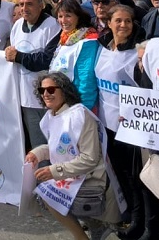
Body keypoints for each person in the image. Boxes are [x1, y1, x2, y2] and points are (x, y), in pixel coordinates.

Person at [24, 72, 121, 240]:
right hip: (75, 175)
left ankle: (84, 234)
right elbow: (61, 148)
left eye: (51, 89)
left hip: (93, 178)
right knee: (45, 190)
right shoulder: (52, 116)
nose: (46, 94)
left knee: (46, 192)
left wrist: (56, 170)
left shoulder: (80, 115)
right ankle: (94, 226)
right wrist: (37, 153)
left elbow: (90, 158)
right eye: (42, 90)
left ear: (64, 91)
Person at [94, 5, 146, 237]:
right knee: (118, 173)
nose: (123, 25)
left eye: (128, 21)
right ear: (110, 23)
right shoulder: (103, 48)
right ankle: (127, 216)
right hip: (107, 124)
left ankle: (138, 221)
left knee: (134, 176)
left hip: (129, 126)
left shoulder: (137, 54)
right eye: (118, 20)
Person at [5, 0, 61, 151]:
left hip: (45, 99)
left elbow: (46, 60)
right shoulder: (17, 26)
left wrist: (19, 57)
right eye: (21, 4)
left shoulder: (52, 26)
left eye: (29, 4)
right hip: (23, 97)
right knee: (33, 146)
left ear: (41, 5)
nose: (24, 8)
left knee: (48, 146)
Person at [49, 0, 100, 111]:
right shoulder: (65, 38)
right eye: (60, 16)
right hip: (62, 102)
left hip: (78, 105)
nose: (63, 20)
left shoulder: (88, 41)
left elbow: (86, 78)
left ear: (78, 16)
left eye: (68, 16)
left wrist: (83, 109)